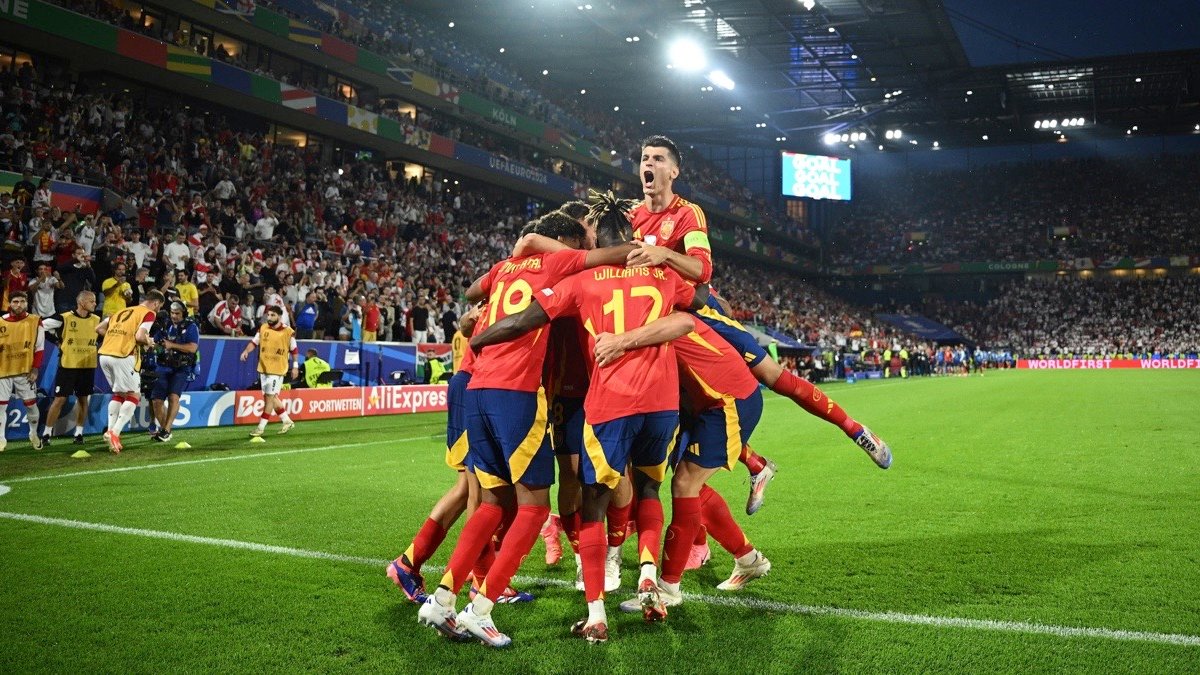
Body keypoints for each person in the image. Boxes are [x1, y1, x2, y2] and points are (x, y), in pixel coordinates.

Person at [459, 192, 706, 644]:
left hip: (609, 402)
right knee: (649, 488)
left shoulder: (582, 280)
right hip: (662, 402)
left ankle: (596, 614)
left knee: (593, 501)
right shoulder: (663, 274)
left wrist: (479, 338)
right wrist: (664, 259)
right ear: (632, 236)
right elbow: (701, 297)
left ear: (599, 238)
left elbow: (524, 320)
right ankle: (646, 573)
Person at [627, 135, 892, 496]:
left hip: (698, 313)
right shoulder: (631, 216)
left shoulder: (687, 212)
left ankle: (856, 431)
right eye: (645, 158)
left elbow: (703, 270)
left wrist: (666, 255)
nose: (649, 163)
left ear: (674, 171)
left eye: (658, 159)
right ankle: (755, 466)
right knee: (690, 408)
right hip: (656, 322)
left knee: (772, 376)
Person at [416, 207, 634, 647]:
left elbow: (470, 291)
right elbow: (620, 254)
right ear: (566, 242)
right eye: (579, 244)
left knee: (492, 503)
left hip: (477, 387)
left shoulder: (502, 269)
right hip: (515, 393)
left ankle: (441, 601)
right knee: (533, 508)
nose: (584, 250)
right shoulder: (558, 261)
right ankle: (481, 610)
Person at [96, 290, 165, 453]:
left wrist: (116, 339)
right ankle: (115, 432)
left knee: (119, 393)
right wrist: (149, 342)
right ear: (156, 303)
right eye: (159, 306)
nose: (158, 310)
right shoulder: (148, 313)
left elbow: (98, 328)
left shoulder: (122, 310)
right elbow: (140, 336)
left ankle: (110, 432)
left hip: (104, 355)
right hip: (123, 356)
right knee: (134, 395)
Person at [39, 291, 100, 446]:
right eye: (91, 301)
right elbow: (40, 326)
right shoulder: (64, 317)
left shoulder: (97, 320)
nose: (95, 303)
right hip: (68, 365)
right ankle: (46, 434)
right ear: (82, 303)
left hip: (87, 366)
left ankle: (78, 433)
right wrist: (56, 339)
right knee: (60, 399)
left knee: (83, 399)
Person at [239, 305, 298, 438]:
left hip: (277, 370)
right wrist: (246, 351)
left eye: (273, 315)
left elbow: (294, 350)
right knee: (270, 397)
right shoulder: (263, 328)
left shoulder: (288, 331)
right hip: (264, 368)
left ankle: (260, 428)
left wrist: (295, 366)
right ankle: (287, 421)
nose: (269, 318)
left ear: (279, 317)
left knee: (269, 398)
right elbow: (254, 342)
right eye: (268, 315)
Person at [0, 292, 47, 452]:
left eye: (22, 301)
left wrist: (35, 368)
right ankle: (1, 439)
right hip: (3, 371)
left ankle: (33, 434)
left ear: (27, 303)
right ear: (9, 303)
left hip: (25, 371)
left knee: (31, 405)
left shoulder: (35, 321)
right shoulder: (1, 321)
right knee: (1, 407)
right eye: (15, 301)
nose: (19, 304)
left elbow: (39, 348)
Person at [149, 302, 199, 443]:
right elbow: (155, 342)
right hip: (163, 366)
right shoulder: (165, 325)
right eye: (172, 313)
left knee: (173, 397)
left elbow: (192, 348)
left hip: (181, 367)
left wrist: (172, 345)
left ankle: (165, 430)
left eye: (177, 313)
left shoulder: (191, 327)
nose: (174, 316)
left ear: (183, 313)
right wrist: (153, 345)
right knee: (156, 401)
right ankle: (166, 431)